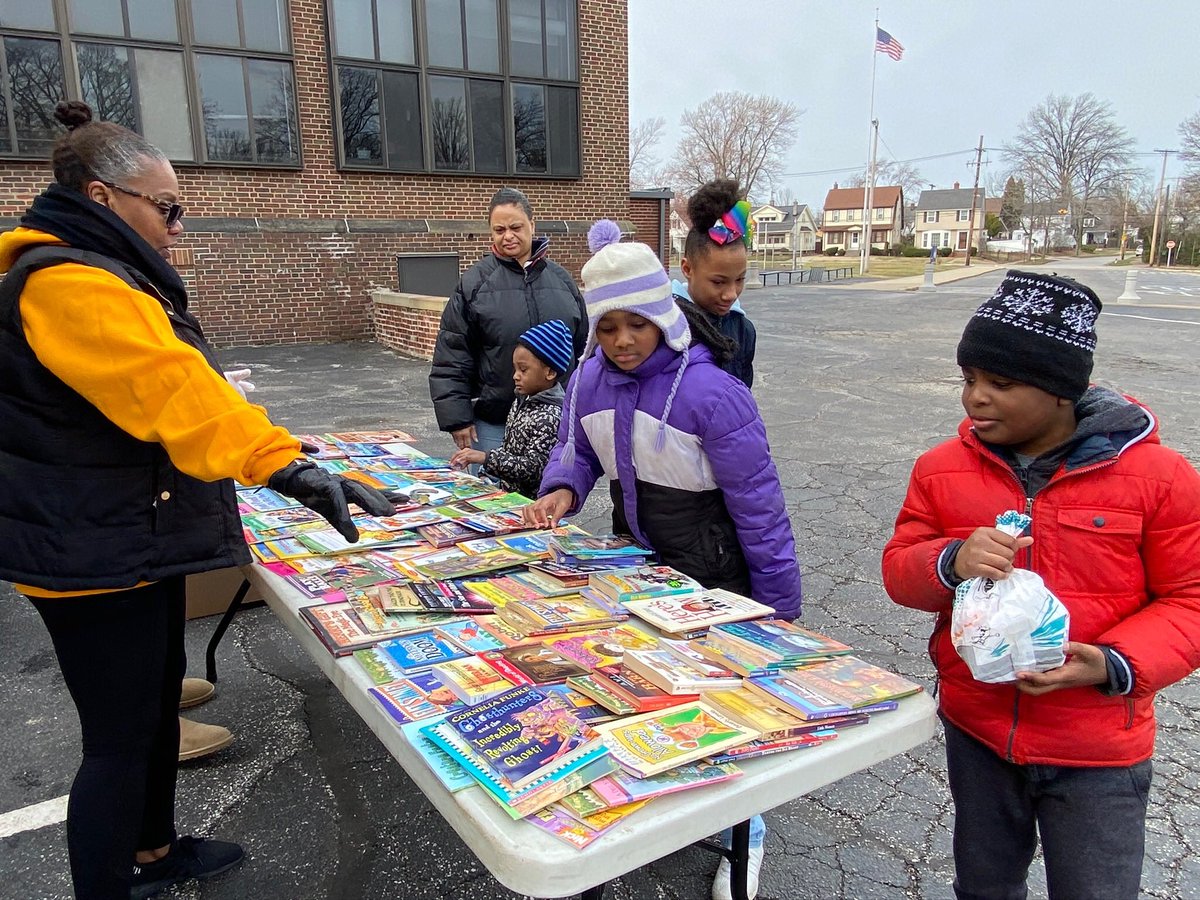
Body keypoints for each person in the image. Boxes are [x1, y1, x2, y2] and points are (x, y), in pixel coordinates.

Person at [0, 102, 393, 900]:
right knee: (117, 740)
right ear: (103, 197)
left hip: (128, 534)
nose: (177, 227)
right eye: (168, 208)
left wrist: (274, 444)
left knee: (151, 710)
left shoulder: (93, 271)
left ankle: (153, 851)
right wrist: (283, 465)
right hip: (93, 552)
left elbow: (175, 392)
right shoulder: (68, 283)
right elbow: (171, 389)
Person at [881, 271, 1200, 900]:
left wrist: (1113, 663)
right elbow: (899, 570)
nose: (976, 398)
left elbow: (1190, 599)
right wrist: (951, 560)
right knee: (985, 885)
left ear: (1061, 390)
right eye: (969, 378)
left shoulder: (1160, 479)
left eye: (1001, 384)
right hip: (978, 731)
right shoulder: (940, 469)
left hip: (1097, 747)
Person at [524, 221, 801, 900]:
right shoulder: (588, 380)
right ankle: (661, 798)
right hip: (639, 567)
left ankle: (746, 832)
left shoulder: (713, 394)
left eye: (638, 324)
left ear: (664, 318)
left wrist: (781, 609)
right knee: (645, 690)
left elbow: (761, 509)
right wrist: (562, 489)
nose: (623, 340)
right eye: (608, 326)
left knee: (727, 707)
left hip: (716, 573)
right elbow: (576, 452)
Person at [429, 186, 587, 456]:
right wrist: (457, 417)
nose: (508, 236)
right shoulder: (474, 283)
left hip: (557, 421)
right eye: (499, 230)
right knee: (494, 485)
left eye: (515, 227)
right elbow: (452, 354)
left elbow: (584, 349)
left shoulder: (562, 281)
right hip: (494, 423)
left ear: (532, 225)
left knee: (557, 484)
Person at [449, 318, 569, 498]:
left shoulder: (551, 415)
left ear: (550, 372)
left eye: (523, 370)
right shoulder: (521, 400)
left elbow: (534, 468)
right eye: (515, 369)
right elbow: (508, 449)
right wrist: (486, 472)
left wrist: (486, 458)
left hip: (532, 505)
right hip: (509, 497)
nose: (515, 376)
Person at [671, 178, 756, 388]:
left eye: (740, 279)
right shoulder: (667, 325)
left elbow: (744, 392)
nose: (731, 294)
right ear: (687, 269)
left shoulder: (743, 330)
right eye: (718, 282)